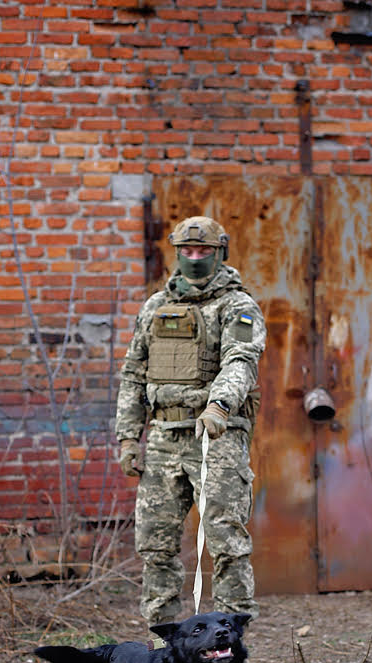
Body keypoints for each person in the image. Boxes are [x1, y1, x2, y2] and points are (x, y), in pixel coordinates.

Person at [115, 215, 266, 625]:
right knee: (155, 544)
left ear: (221, 253)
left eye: (204, 251)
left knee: (226, 540)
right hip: (163, 438)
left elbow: (241, 360)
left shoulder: (237, 306)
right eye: (187, 250)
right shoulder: (155, 307)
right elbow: (133, 374)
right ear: (176, 252)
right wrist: (129, 438)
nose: (195, 258)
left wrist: (219, 405)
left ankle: (231, 647)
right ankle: (164, 643)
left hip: (215, 436)